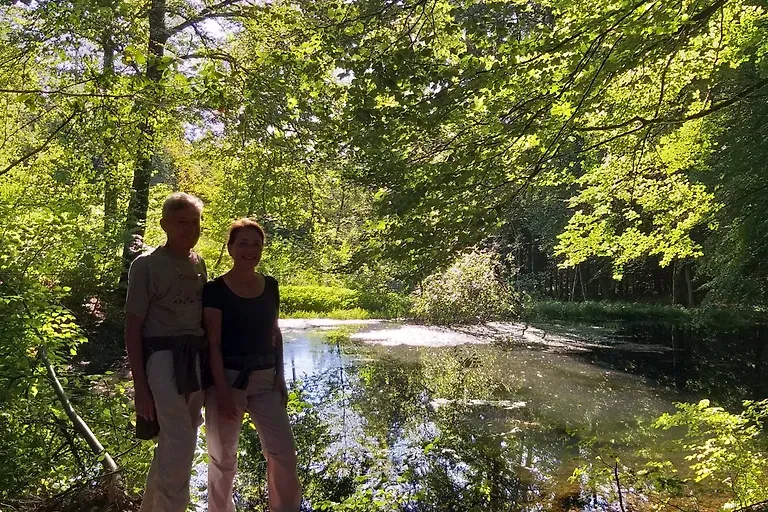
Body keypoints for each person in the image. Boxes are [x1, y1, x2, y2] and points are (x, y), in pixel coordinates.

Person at [203, 218, 301, 512]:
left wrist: (281, 376)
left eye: (256, 244)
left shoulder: (270, 286)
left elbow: (275, 332)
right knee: (223, 458)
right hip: (228, 380)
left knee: (284, 452)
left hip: (266, 381)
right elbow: (213, 343)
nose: (250, 250)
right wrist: (221, 391)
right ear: (230, 247)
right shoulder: (215, 289)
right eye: (243, 243)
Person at [124, 192, 208, 512]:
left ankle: (151, 508)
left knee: (177, 442)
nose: (189, 228)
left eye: (195, 222)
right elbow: (133, 329)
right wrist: (140, 388)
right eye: (182, 222)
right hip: (161, 360)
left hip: (195, 361)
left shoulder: (198, 263)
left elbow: (205, 320)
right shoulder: (146, 265)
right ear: (165, 224)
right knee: (181, 443)